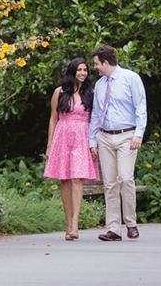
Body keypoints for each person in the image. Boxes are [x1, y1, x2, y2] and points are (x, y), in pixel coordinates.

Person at [89, 44, 147, 241]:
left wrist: (138, 134)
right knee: (110, 183)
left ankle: (131, 223)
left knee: (125, 178)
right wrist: (92, 141)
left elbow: (141, 107)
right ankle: (114, 228)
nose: (95, 67)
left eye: (96, 64)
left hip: (126, 135)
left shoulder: (131, 78)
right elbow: (96, 114)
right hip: (104, 136)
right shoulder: (100, 84)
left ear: (105, 62)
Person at [44, 57, 99, 240]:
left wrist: (94, 144)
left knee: (77, 179)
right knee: (65, 181)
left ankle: (75, 224)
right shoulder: (59, 92)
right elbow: (53, 119)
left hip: (82, 138)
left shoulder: (90, 93)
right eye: (80, 70)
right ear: (72, 71)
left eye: (85, 70)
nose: (83, 73)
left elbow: (96, 119)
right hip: (62, 137)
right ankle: (67, 225)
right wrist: (49, 146)